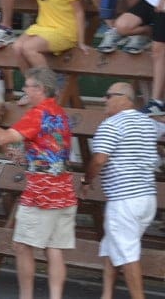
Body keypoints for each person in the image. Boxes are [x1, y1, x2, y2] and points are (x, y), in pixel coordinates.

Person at [0, 67, 76, 299]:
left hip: (42, 189)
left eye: (28, 86)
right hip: (64, 188)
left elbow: (1, 138)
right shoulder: (59, 113)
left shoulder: (38, 113)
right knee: (54, 247)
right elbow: (51, 148)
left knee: (22, 246)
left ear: (40, 89)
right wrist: (25, 155)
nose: (24, 89)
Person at [83, 82, 161, 299]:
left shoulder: (111, 125)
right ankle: (107, 295)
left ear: (124, 99)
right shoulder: (148, 123)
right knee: (112, 243)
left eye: (108, 96)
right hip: (146, 197)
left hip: (124, 199)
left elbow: (99, 160)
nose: (104, 100)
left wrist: (86, 180)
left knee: (127, 254)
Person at [11, 0, 90, 105]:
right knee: (17, 47)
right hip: (43, 26)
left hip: (64, 30)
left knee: (29, 48)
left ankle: (49, 91)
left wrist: (81, 41)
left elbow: (79, 11)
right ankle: (31, 89)